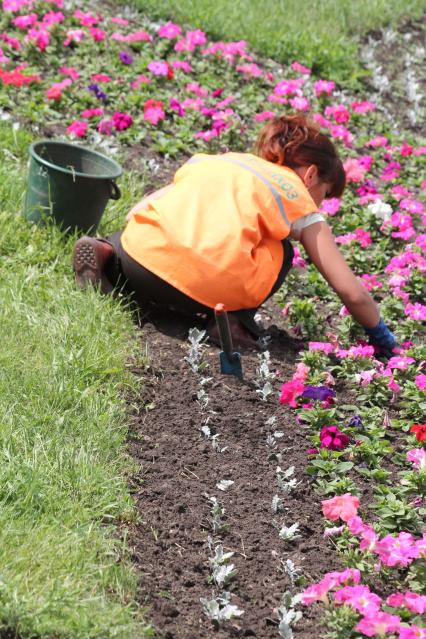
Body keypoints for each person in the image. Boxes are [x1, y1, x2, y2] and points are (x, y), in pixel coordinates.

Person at [72, 112, 396, 356]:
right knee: (282, 250)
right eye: (325, 192)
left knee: (150, 224)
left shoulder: (222, 161)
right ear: (311, 175)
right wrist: (381, 336)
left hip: (141, 265)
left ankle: (106, 255)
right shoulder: (296, 195)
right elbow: (351, 292)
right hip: (206, 292)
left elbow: (145, 205)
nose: (321, 202)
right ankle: (232, 321)